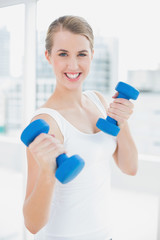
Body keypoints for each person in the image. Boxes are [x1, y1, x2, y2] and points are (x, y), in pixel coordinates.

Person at [23, 15, 138, 240]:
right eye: (63, 54)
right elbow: (32, 224)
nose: (73, 65)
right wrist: (48, 173)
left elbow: (130, 167)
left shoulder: (98, 100)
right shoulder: (47, 123)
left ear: (92, 56)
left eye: (82, 54)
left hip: (104, 235)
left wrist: (122, 122)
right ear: (48, 57)